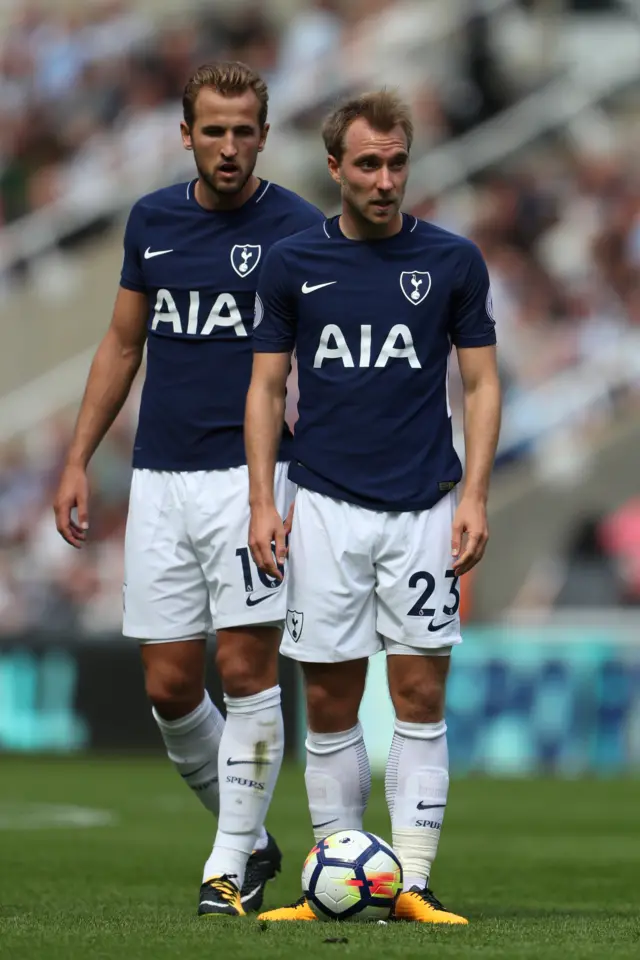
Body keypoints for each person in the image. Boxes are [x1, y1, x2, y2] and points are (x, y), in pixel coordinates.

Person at [53, 61, 324, 918]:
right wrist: (75, 459)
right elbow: (123, 344)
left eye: (245, 131)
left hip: (255, 477)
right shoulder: (153, 221)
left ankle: (227, 865)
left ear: (265, 137)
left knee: (247, 667)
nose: (230, 146)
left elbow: (326, 361)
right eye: (215, 130)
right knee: (170, 686)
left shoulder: (299, 229)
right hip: (162, 479)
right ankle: (250, 837)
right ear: (186, 135)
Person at [245, 90, 501, 924]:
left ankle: (414, 884)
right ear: (335, 168)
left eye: (396, 162)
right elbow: (266, 387)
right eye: (367, 163)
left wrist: (475, 495)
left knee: (421, 697)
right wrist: (261, 502)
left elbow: (482, 382)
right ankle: (335, 884)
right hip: (321, 506)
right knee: (329, 703)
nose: (385, 178)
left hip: (425, 507)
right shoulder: (292, 264)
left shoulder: (453, 261)